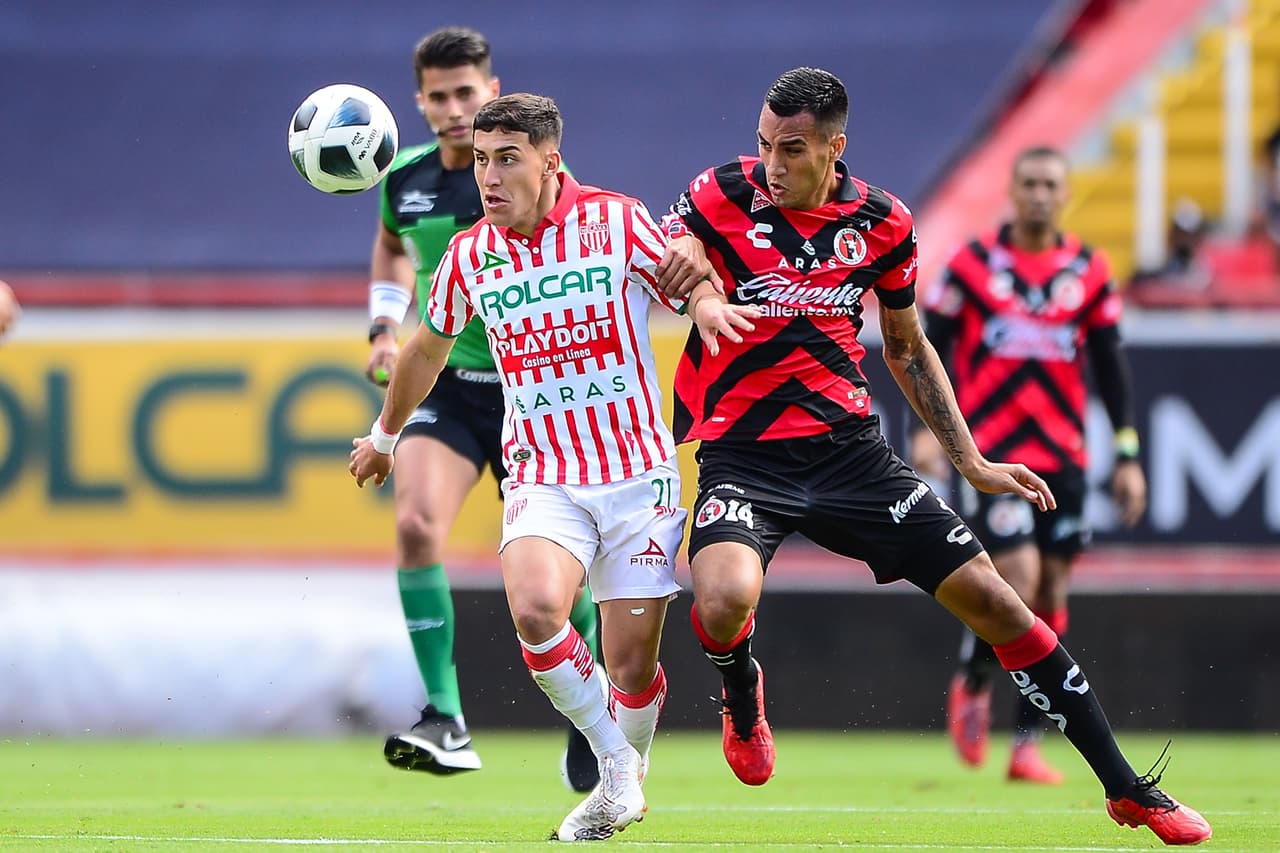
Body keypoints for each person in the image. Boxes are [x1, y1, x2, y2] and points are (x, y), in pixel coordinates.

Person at [654, 67, 1210, 846]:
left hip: (852, 457)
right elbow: (670, 248)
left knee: (999, 601)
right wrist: (699, 289)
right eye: (762, 145)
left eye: (791, 149)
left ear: (834, 147)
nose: (772, 166)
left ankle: (1127, 788)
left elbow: (908, 348)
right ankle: (741, 691)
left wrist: (972, 460)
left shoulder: (883, 221)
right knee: (720, 600)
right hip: (745, 457)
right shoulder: (721, 192)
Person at [350, 93, 758, 841]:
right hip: (544, 473)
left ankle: (620, 771)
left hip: (639, 475)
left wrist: (702, 302)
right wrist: (384, 435)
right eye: (479, 161)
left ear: (550, 161)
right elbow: (427, 349)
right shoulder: (470, 254)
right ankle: (615, 771)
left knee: (629, 669)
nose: (489, 178)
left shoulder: (617, 219)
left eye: (507, 159)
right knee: (537, 610)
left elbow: (689, 273)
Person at [363, 26, 602, 791]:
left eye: (467, 92)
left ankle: (586, 716)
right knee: (413, 523)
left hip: (536, 398)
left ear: (492, 91)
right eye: (438, 96)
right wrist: (381, 326)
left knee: (561, 585)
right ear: (419, 103)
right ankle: (446, 716)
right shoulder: (403, 177)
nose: (454, 108)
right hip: (455, 394)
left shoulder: (524, 175)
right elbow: (394, 246)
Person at [913, 146, 1149, 786]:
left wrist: (1128, 454)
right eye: (1029, 184)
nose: (1040, 194)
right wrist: (930, 432)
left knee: (1051, 597)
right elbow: (919, 346)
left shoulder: (1088, 270)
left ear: (1065, 192)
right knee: (1016, 579)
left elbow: (1110, 367)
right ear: (1012, 192)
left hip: (1066, 458)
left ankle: (1024, 745)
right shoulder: (973, 265)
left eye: (1051, 183)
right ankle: (972, 674)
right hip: (994, 455)